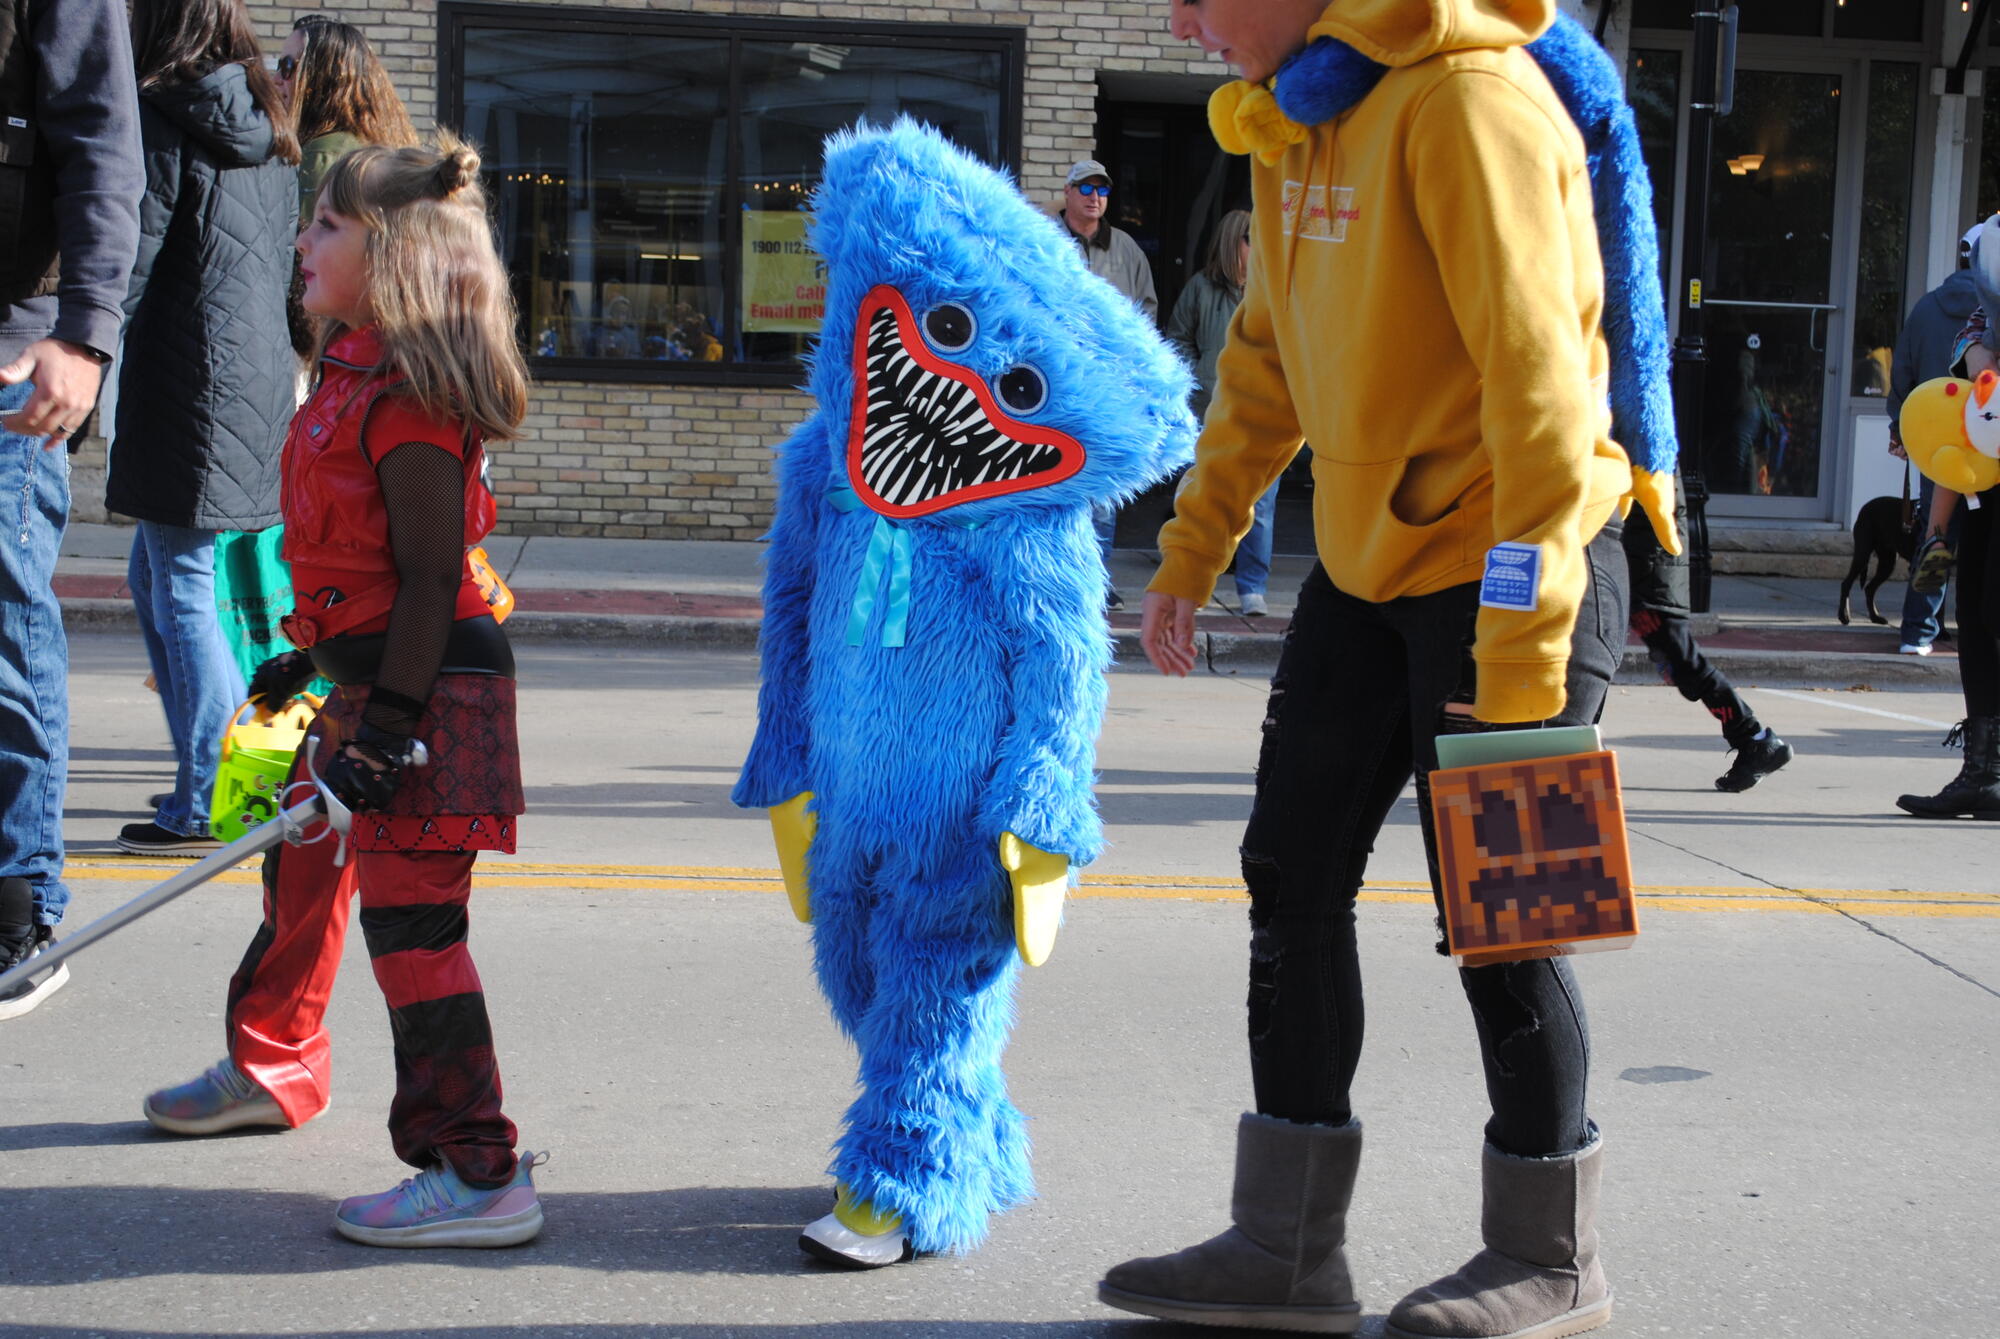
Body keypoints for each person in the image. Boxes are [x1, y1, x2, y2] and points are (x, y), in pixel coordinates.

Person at [1100, 4, 1675, 1338]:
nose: (1179, 20)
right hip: (1367, 572)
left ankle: (1551, 1255)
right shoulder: (1295, 121)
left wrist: (1521, 654)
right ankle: (1285, 1245)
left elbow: (1543, 394)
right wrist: (1193, 546)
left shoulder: (1468, 101)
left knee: (1507, 912)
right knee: (1287, 876)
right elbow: (1263, 363)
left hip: (1527, 559)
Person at [140, 136, 546, 1247]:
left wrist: (390, 732)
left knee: (413, 930)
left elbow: (429, 580)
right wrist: (309, 665)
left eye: (327, 225)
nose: (300, 241)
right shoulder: (353, 369)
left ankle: (478, 1170)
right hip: (370, 689)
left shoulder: (411, 397)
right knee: (300, 856)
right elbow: (356, 565)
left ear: (394, 254)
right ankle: (272, 1065)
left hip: (430, 699)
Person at [106, 0, 300, 856]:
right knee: (158, 575)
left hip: (189, 376)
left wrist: (83, 347)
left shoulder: (162, 110)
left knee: (181, 583)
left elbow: (133, 253)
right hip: (253, 374)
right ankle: (217, 775)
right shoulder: (270, 116)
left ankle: (217, 794)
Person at [0, 0, 146, 1018]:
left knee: (7, 627)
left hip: (12, 351)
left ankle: (18, 904)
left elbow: (103, 140)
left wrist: (86, 332)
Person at [1897, 281, 2000, 819]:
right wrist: (1936, 531)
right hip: (1984, 492)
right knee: (1976, 622)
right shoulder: (1982, 321)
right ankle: (1984, 774)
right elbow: (1959, 430)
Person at [1625, 481, 1793, 792]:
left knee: (1680, 660)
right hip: (1641, 559)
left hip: (1647, 565)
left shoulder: (1643, 454)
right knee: (1673, 659)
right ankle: (1752, 739)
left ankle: (1754, 739)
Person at [1167, 209, 1288, 615]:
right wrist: (1200, 379)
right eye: (1251, 239)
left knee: (1261, 506)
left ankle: (1253, 587)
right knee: (1202, 498)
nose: (1259, 247)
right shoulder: (1200, 288)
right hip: (1208, 412)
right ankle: (1194, 583)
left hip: (1262, 416)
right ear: (1232, 242)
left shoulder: (1273, 289)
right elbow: (1177, 338)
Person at [276, 16, 419, 358]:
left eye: (287, 67)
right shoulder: (375, 146)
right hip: (374, 336)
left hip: (323, 339)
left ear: (321, 78)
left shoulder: (322, 156)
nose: (276, 78)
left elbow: (305, 267)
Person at [1057, 157, 1158, 607]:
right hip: (1054, 387)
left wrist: (1133, 371)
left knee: (1103, 487)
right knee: (1057, 487)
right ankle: (1062, 579)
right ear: (1067, 193)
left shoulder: (1127, 250)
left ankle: (1097, 581)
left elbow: (1147, 311)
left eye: (1102, 190)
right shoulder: (1043, 241)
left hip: (1108, 390)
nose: (1094, 197)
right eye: (1085, 188)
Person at [1887, 224, 1985, 655]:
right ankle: (1977, 629)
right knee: (1985, 542)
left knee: (1937, 534)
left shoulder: (1927, 307)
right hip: (1989, 442)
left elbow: (1903, 374)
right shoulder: (1991, 309)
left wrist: (1900, 429)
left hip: (1938, 444)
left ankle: (1919, 631)